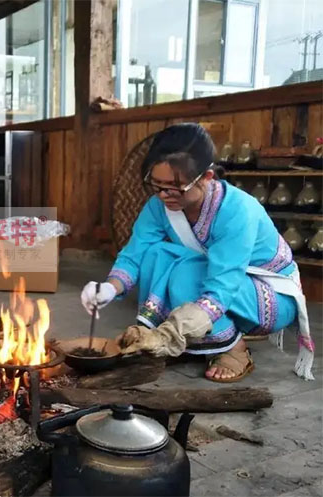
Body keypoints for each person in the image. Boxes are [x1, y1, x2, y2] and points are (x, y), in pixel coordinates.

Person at [80, 123, 314, 382]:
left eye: (175, 187)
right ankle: (196, 340)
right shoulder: (158, 205)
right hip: (221, 284)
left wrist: (166, 336)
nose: (164, 195)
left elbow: (222, 287)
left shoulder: (237, 211)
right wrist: (110, 288)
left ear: (206, 178)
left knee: (186, 272)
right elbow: (136, 252)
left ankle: (233, 348)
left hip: (268, 297)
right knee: (157, 255)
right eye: (157, 185)